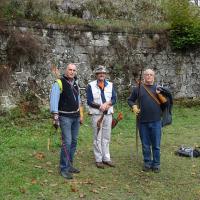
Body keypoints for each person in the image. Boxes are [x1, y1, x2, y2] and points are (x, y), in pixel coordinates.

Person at [128, 69, 167, 173]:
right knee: (145, 144)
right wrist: (134, 107)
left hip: (156, 121)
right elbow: (130, 100)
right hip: (142, 121)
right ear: (144, 77)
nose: (149, 76)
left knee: (156, 145)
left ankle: (156, 164)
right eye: (147, 75)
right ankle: (147, 163)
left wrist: (161, 95)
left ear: (154, 77)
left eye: (151, 75)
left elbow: (166, 104)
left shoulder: (159, 89)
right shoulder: (138, 89)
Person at [50, 63, 83, 179]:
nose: (72, 72)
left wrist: (81, 114)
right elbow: (54, 99)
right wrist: (55, 115)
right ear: (66, 70)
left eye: (74, 70)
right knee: (67, 142)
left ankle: (69, 165)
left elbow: (78, 99)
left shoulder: (76, 83)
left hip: (76, 116)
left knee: (74, 141)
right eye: (70, 69)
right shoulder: (59, 83)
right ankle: (63, 168)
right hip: (64, 117)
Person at [86, 65, 117, 169]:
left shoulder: (110, 85)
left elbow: (114, 99)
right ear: (96, 75)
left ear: (105, 75)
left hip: (108, 114)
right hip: (97, 115)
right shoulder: (90, 85)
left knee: (106, 137)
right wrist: (100, 106)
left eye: (103, 73)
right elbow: (89, 101)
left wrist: (108, 104)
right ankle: (98, 159)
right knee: (97, 137)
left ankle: (106, 158)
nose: (101, 75)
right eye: (99, 73)